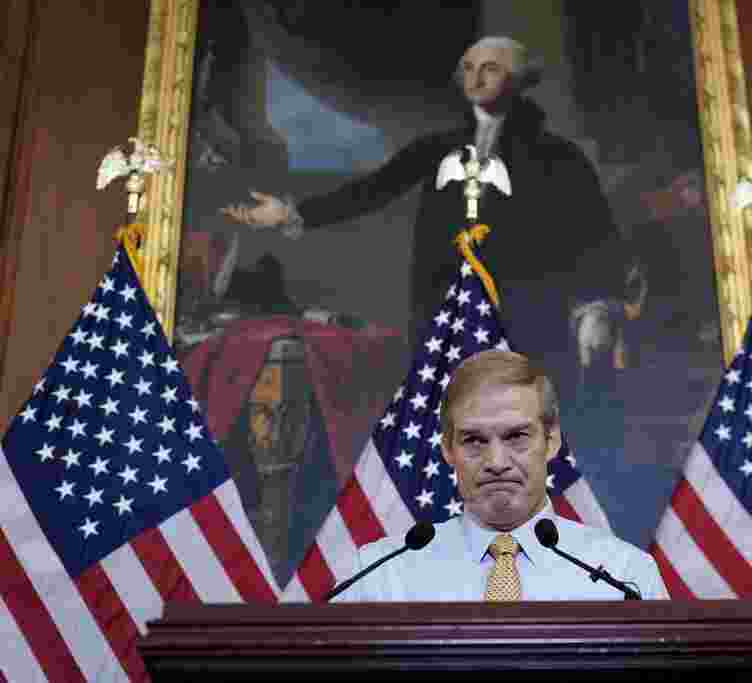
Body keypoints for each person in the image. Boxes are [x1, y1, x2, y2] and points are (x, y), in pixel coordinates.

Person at [221, 36, 635, 389]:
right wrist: (291, 213)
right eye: (469, 68)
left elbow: (594, 233)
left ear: (519, 79)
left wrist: (598, 306)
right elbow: (373, 190)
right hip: (447, 315)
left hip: (528, 318)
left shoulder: (559, 157)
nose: (476, 78)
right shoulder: (437, 148)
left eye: (490, 69)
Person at [332, 350, 669, 601]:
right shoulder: (377, 577)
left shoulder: (626, 577)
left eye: (516, 436)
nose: (496, 462)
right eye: (474, 440)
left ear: (551, 441)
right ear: (447, 449)